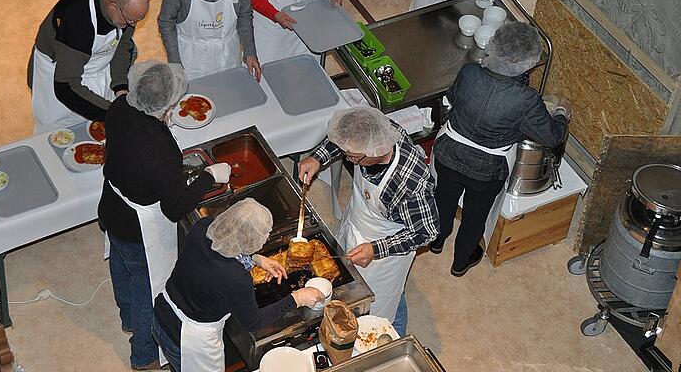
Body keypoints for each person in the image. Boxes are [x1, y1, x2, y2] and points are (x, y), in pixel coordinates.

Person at [98, 60, 232, 370]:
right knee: (147, 289)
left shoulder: (118, 108)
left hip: (111, 207)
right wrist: (209, 176)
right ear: (166, 108)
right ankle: (143, 355)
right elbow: (174, 207)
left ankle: (127, 319)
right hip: (137, 227)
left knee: (120, 266)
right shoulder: (162, 148)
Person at [429, 22, 570, 277]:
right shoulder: (526, 99)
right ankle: (461, 262)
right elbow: (551, 137)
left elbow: (453, 96)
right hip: (486, 171)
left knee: (444, 199)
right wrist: (561, 114)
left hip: (448, 154)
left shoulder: (469, 72)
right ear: (529, 62)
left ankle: (437, 240)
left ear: (494, 46)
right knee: (474, 217)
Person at [298, 107, 439, 336]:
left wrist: (376, 249)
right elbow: (346, 137)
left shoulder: (410, 182)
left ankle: (392, 340)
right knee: (349, 282)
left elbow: (427, 231)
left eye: (352, 157)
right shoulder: (374, 130)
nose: (347, 158)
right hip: (358, 221)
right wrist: (317, 158)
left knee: (379, 309)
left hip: (385, 249)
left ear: (376, 151)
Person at [152, 198, 323, 371]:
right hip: (187, 339)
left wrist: (255, 259)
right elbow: (254, 322)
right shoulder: (236, 278)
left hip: (161, 313)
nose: (264, 240)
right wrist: (297, 298)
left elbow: (221, 249)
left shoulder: (203, 227)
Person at [28, 0, 149, 133]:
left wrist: (120, 87)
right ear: (113, 6)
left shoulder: (122, 5)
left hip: (94, 63)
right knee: (58, 130)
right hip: (60, 73)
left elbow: (122, 45)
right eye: (130, 20)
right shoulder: (77, 21)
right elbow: (66, 86)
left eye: (138, 20)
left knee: (97, 127)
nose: (132, 24)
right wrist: (113, 112)